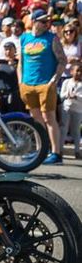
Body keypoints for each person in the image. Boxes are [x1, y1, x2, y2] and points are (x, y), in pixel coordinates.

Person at [19, 10, 67, 164]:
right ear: (33, 21)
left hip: (45, 84)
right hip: (28, 84)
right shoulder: (24, 38)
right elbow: (21, 61)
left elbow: (62, 60)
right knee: (36, 119)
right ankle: (41, 151)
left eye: (47, 21)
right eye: (42, 21)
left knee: (49, 118)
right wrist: (20, 81)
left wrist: (54, 80)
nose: (46, 24)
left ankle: (56, 153)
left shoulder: (51, 38)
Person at [59, 65, 82, 158]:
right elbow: (61, 95)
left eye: (80, 71)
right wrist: (67, 95)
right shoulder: (66, 82)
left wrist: (76, 96)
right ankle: (60, 150)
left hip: (78, 110)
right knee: (63, 129)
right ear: (71, 72)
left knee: (76, 131)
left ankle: (77, 151)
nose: (79, 73)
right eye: (77, 71)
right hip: (66, 108)